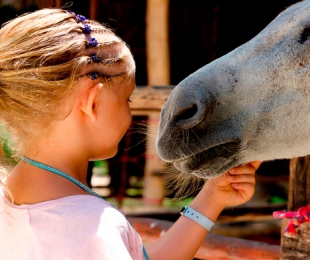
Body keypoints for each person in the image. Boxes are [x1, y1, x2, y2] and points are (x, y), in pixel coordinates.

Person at [0, 8, 262, 260]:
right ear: (93, 102)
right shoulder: (91, 224)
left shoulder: (10, 199)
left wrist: (211, 198)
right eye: (127, 99)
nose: (129, 112)